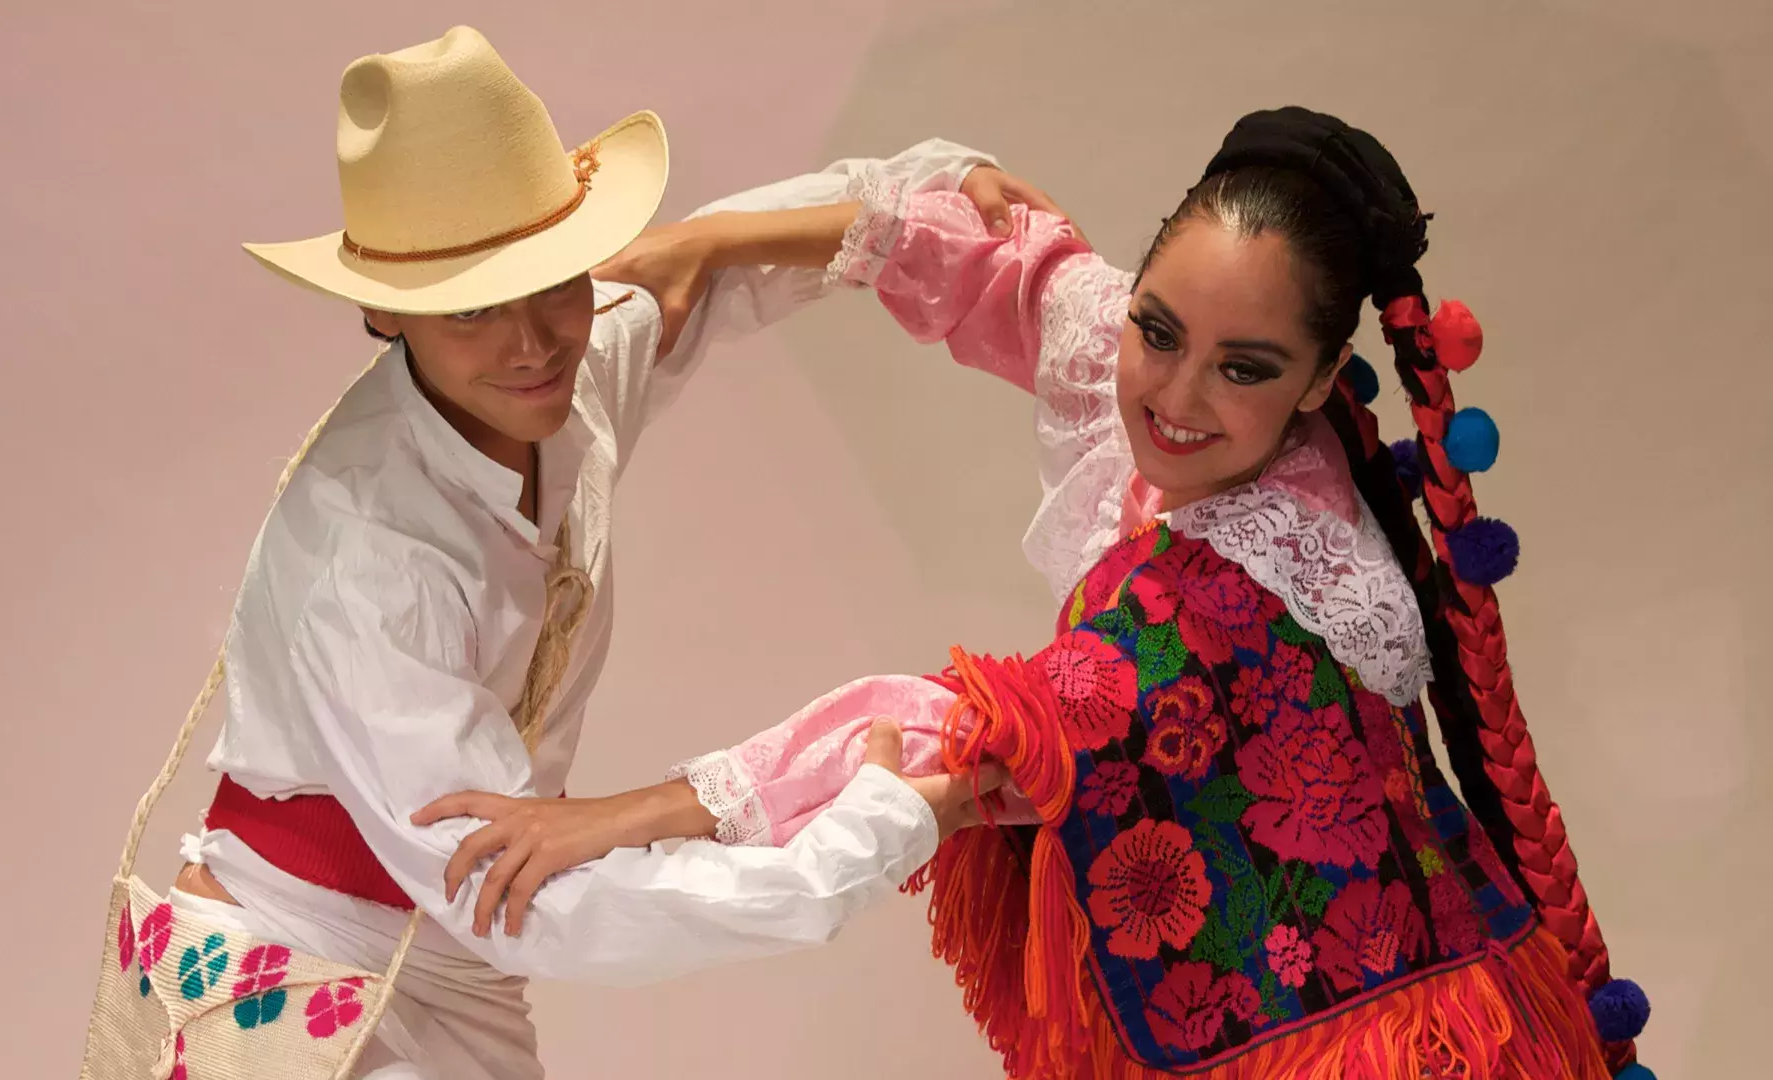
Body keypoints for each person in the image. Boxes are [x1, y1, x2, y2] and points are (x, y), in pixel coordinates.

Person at [431, 107, 1657, 1079]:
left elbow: (949, 727)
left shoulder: (1246, 586)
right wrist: (711, 242)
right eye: (1157, 329)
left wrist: (616, 815)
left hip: (1390, 1050)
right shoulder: (1177, 385)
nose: (1173, 396)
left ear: (1324, 375)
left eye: (1244, 367)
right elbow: (1008, 268)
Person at [143, 24, 1060, 1080]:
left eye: (557, 278)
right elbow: (529, 899)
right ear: (384, 308)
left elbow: (726, 256)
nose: (533, 340)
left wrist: (937, 183)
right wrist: (863, 840)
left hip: (460, 964)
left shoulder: (572, 363)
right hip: (293, 966)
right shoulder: (368, 559)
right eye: (475, 308)